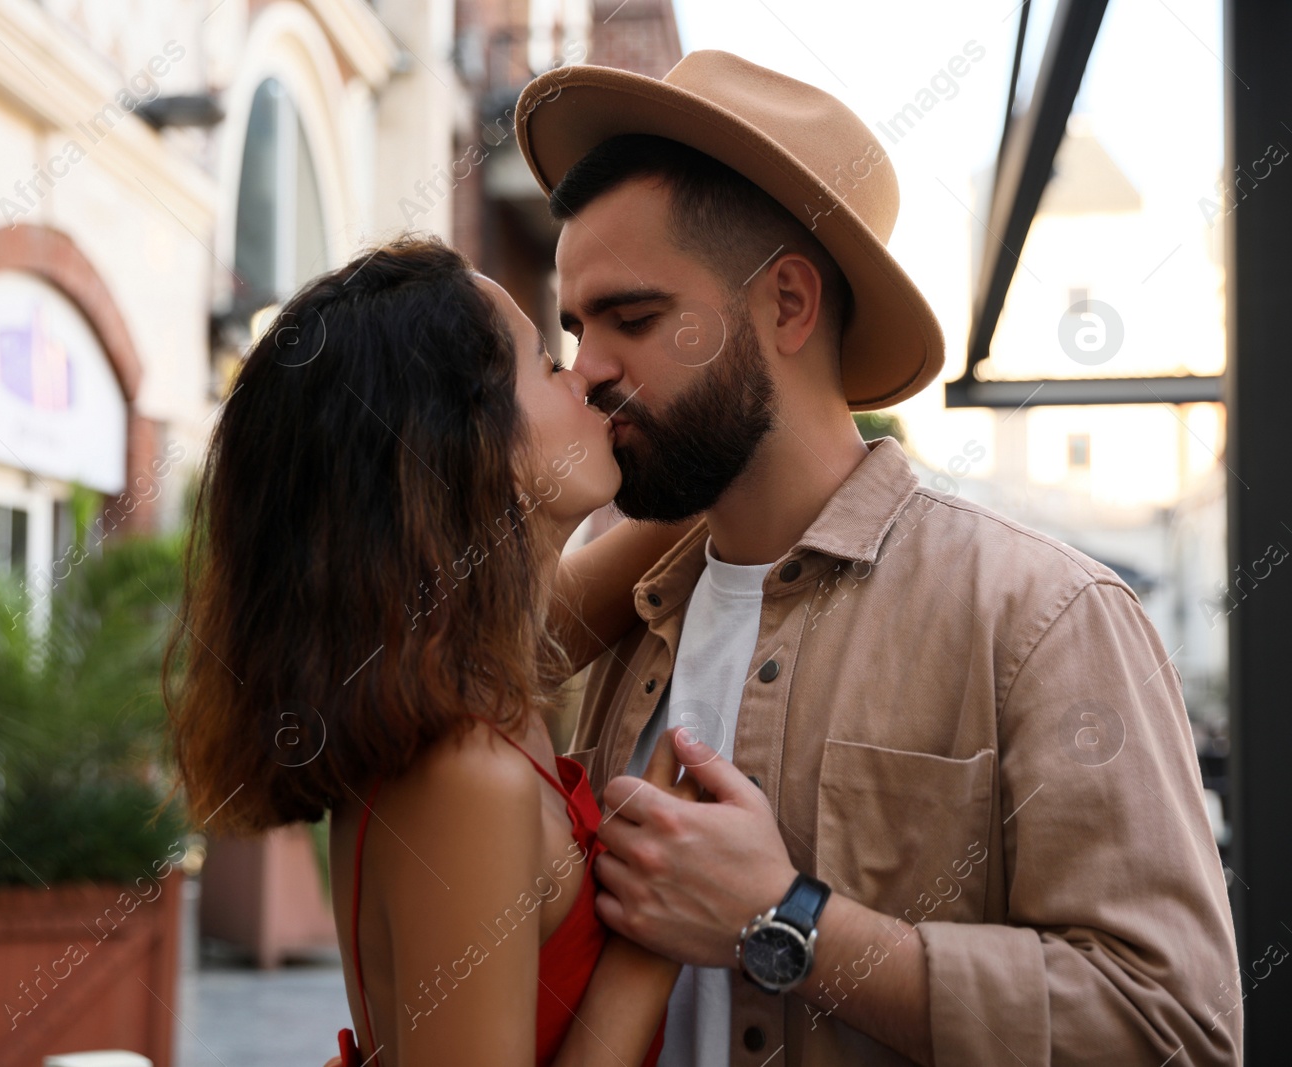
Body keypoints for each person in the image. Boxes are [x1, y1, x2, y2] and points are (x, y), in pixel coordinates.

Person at [512, 51, 1242, 1065]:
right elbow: (417, 667)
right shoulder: (631, 610)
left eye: (631, 318)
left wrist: (789, 920)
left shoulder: (1042, 613)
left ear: (787, 306)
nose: (586, 369)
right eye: (577, 326)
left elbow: (1173, 1028)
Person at [167, 237, 703, 1066]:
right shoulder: (465, 771)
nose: (586, 375)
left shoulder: (460, 682)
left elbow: (675, 533)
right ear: (464, 443)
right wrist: (653, 944)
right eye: (544, 362)